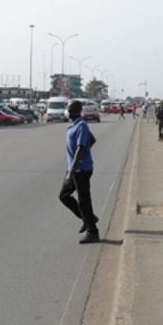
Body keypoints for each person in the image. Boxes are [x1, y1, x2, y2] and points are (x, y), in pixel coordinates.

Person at [59, 101, 99, 244]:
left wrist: (75, 167)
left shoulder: (81, 125)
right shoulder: (74, 125)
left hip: (80, 170)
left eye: (68, 109)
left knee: (84, 201)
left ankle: (92, 232)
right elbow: (92, 139)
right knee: (63, 196)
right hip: (73, 168)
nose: (67, 112)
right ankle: (88, 219)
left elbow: (81, 148)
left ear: (74, 111)